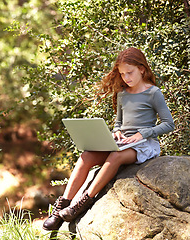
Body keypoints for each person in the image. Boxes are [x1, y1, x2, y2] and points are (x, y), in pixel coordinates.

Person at [43, 47, 175, 231]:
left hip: (143, 144)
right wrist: (117, 132)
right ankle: (61, 209)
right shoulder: (122, 94)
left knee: (115, 157)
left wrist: (142, 134)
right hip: (123, 142)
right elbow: (119, 123)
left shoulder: (153, 93)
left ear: (142, 69)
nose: (126, 78)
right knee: (87, 156)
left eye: (130, 73)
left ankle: (82, 203)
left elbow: (169, 124)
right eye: (122, 74)